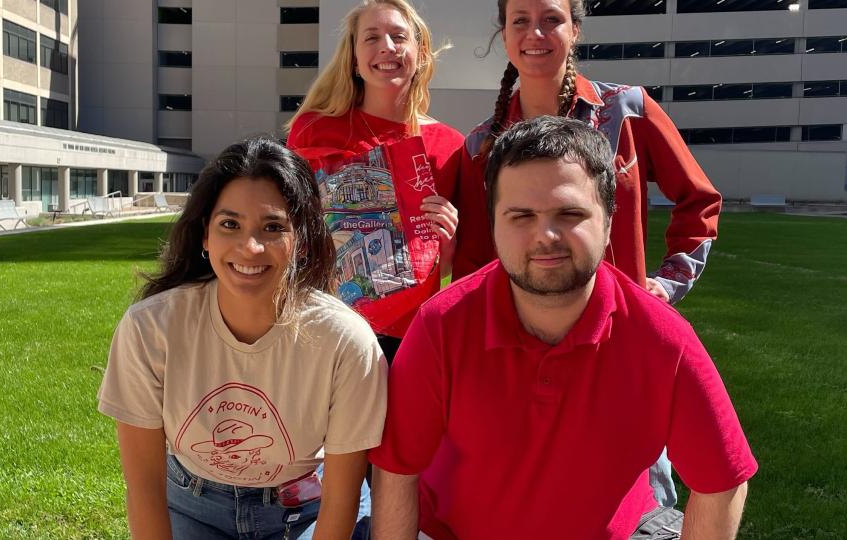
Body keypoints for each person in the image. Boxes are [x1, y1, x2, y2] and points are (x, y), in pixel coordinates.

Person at [369, 116, 757, 539]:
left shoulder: (661, 338)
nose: (546, 235)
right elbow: (396, 470)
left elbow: (723, 480)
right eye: (521, 216)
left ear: (608, 220)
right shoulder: (442, 325)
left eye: (569, 213)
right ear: (492, 224)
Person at [452, 0, 725, 509]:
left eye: (552, 18)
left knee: (645, 498)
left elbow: (699, 201)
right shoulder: (481, 147)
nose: (537, 32)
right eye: (521, 20)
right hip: (527, 356)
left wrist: (665, 285)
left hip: (624, 343)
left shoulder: (628, 110)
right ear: (504, 34)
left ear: (575, 29)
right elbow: (475, 263)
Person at [97, 138, 386, 539]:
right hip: (190, 503)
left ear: (299, 239)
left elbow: (341, 497)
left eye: (272, 228)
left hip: (308, 509)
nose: (250, 248)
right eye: (230, 224)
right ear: (204, 235)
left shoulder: (345, 342)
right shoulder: (152, 328)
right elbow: (144, 486)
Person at [286, 0, 464, 362]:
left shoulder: (451, 146)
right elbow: (288, 224)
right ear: (353, 58)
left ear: (421, 52)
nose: (387, 47)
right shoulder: (314, 129)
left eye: (399, 36)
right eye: (371, 37)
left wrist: (449, 241)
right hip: (323, 321)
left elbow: (444, 267)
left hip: (409, 334)